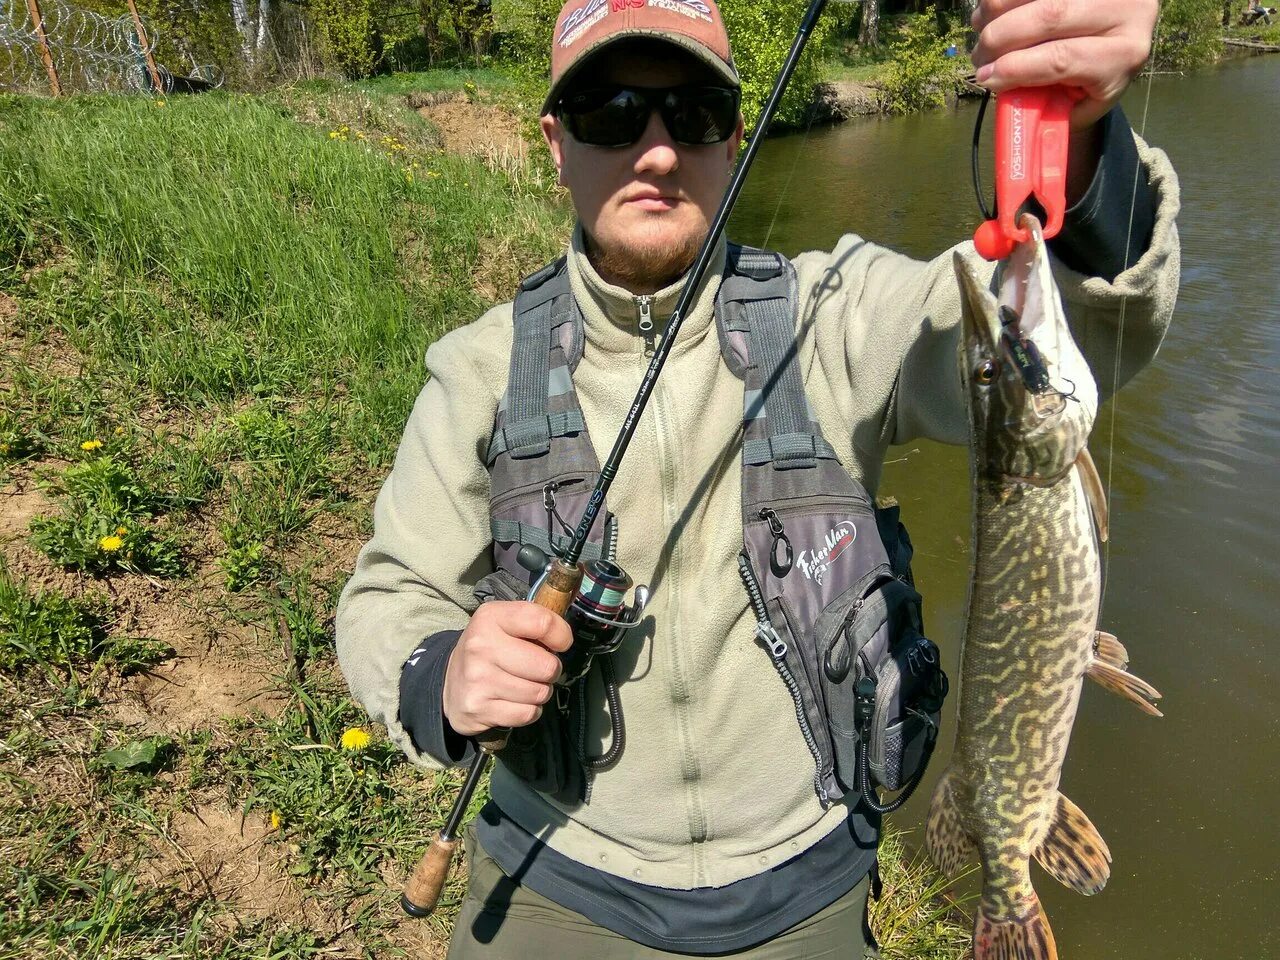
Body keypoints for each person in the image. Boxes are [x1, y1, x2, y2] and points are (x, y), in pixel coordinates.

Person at [337, 0, 1180, 956]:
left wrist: (1083, 134)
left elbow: (1070, 333)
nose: (656, 150)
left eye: (691, 113)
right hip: (557, 874)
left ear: (734, 140)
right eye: (612, 113)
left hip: (804, 887)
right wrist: (442, 675)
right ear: (555, 141)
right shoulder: (478, 370)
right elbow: (386, 596)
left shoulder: (835, 312)